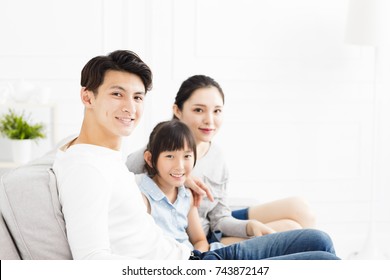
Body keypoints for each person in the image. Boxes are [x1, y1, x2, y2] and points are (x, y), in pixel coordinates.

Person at [53, 50, 339, 260]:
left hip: (192, 255)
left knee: (318, 239)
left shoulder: (106, 155)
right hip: (188, 266)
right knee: (322, 259)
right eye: (117, 94)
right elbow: (92, 262)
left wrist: (180, 181)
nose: (130, 107)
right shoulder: (86, 168)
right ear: (87, 97)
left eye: (138, 97)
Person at [127, 75, 316, 245]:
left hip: (214, 226)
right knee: (290, 228)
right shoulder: (152, 153)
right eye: (199, 110)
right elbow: (118, 182)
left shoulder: (217, 156)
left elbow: (219, 217)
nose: (209, 120)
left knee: (299, 208)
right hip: (191, 239)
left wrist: (249, 226)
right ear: (177, 110)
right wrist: (183, 178)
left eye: (217, 111)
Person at [135, 119, 224, 252]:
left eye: (187, 156)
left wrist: (199, 258)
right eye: (170, 156)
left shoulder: (186, 195)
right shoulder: (142, 194)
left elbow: (200, 240)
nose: (180, 166)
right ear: (149, 159)